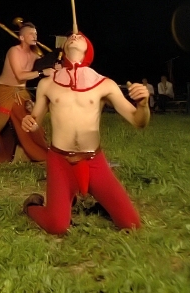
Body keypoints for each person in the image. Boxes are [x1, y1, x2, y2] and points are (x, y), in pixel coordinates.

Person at [21, 32, 150, 235]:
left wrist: (143, 105)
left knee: (132, 224)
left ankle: (101, 202)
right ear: (64, 49)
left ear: (88, 50)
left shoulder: (104, 84)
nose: (74, 36)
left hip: (94, 161)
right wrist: (30, 122)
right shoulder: (48, 84)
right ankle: (31, 206)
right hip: (60, 161)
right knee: (57, 226)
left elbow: (138, 121)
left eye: (80, 37)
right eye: (71, 37)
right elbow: (35, 119)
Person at [0, 22, 55, 170]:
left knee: (30, 124)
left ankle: (23, 155)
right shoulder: (14, 51)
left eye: (36, 34)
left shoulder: (35, 55)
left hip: (21, 93)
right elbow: (20, 75)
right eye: (31, 34)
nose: (35, 36)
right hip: (4, 91)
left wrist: (55, 64)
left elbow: (46, 67)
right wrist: (42, 72)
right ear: (22, 37)